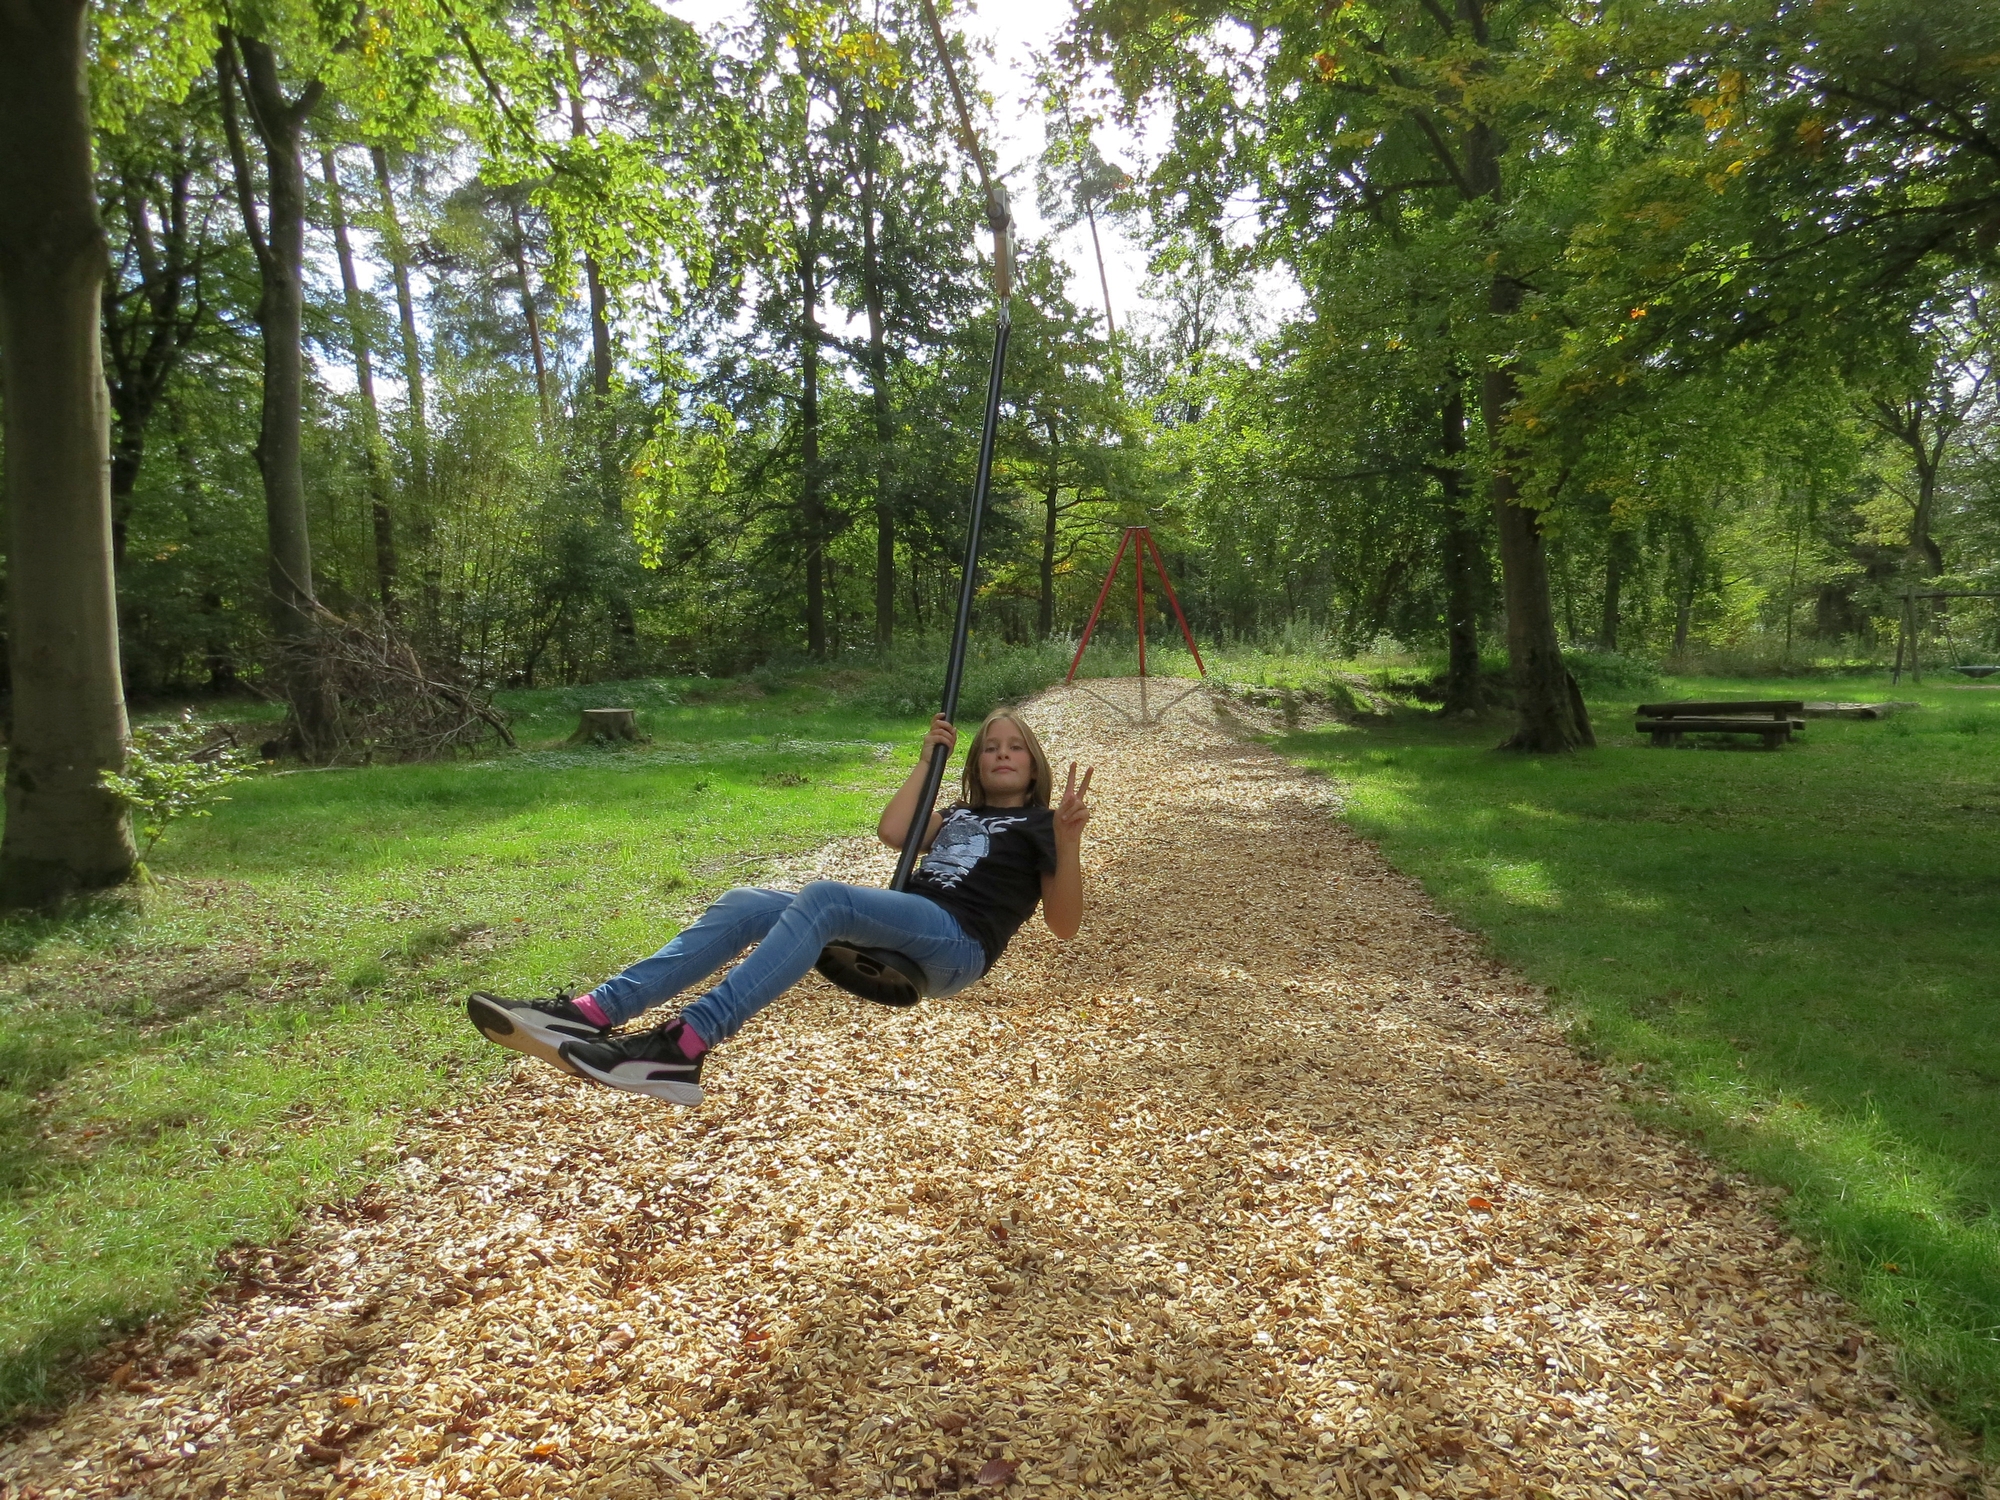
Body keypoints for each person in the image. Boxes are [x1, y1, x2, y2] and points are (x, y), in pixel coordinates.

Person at [464, 709, 1094, 1104]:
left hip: (958, 943)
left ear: (1033, 764)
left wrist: (1068, 839)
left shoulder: (1041, 827)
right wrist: (929, 761)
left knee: (824, 899)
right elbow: (895, 831)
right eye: (989, 747)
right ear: (977, 767)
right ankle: (592, 1012)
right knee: (747, 903)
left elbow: (1065, 926)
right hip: (911, 926)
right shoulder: (957, 813)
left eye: (1015, 746)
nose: (1002, 753)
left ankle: (682, 1047)